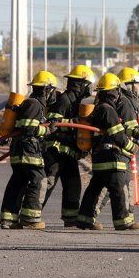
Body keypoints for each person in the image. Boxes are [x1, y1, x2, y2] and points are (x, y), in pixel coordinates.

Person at [75, 73, 139, 231]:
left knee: (95, 188)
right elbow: (117, 134)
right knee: (117, 189)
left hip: (99, 156)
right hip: (112, 156)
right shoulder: (108, 110)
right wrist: (132, 147)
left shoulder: (99, 108)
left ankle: (84, 219)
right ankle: (122, 222)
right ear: (115, 91)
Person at [94, 67, 139, 221]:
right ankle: (98, 216)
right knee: (115, 187)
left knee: (122, 185)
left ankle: (127, 218)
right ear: (128, 85)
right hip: (119, 150)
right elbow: (129, 128)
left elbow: (130, 123)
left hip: (122, 150)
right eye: (136, 84)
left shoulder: (126, 101)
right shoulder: (125, 102)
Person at [0, 71, 58, 230]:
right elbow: (28, 128)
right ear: (47, 89)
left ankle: (9, 219)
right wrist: (47, 131)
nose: (53, 94)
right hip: (28, 150)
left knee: (18, 182)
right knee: (39, 179)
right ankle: (30, 218)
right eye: (52, 90)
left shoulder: (31, 103)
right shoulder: (34, 104)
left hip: (20, 150)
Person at [42, 65, 96, 227]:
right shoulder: (65, 99)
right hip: (56, 149)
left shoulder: (78, 101)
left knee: (73, 184)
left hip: (69, 151)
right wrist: (75, 124)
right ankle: (30, 214)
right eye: (88, 85)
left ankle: (70, 217)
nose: (89, 89)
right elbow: (53, 123)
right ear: (81, 84)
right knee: (48, 182)